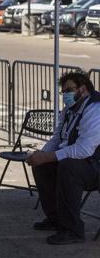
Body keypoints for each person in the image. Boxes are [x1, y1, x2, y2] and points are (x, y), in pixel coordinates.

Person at [27, 71, 100, 244]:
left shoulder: (95, 109)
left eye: (69, 90)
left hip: (95, 165)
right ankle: (56, 219)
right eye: (64, 91)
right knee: (43, 166)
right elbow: (58, 137)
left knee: (68, 167)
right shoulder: (70, 109)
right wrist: (42, 155)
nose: (65, 95)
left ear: (82, 89)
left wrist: (49, 157)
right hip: (78, 160)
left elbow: (84, 149)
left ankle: (72, 230)